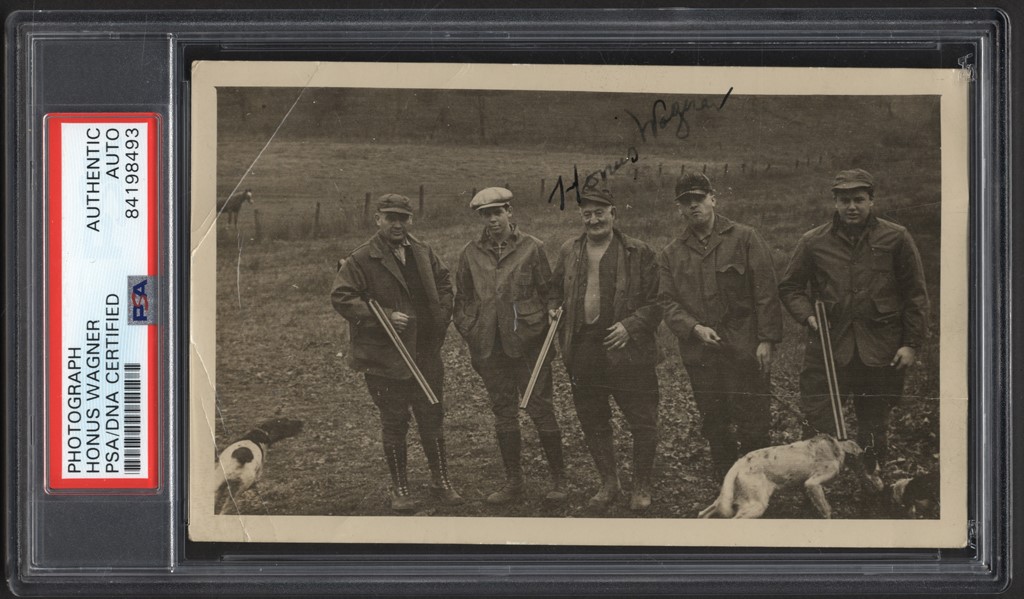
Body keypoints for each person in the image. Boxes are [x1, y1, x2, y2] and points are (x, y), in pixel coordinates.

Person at [778, 169, 929, 465]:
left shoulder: (896, 237)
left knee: (874, 426)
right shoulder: (813, 241)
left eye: (859, 199)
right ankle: (817, 485)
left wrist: (911, 344)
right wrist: (808, 316)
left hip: (879, 352)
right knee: (818, 423)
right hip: (828, 349)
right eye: (844, 200)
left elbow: (916, 294)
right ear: (834, 202)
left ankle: (871, 483)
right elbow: (790, 287)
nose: (852, 207)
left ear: (872, 200)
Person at [331, 193, 462, 512]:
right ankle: (400, 489)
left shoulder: (423, 251)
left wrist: (443, 314)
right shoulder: (361, 258)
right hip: (384, 359)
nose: (397, 224)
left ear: (410, 220)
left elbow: (445, 284)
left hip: (426, 353)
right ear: (378, 219)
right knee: (394, 421)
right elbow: (342, 297)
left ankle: (441, 481)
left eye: (403, 217)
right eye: (390, 217)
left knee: (432, 415)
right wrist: (383, 316)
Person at [657, 172, 784, 479]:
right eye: (685, 202)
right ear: (679, 209)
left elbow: (766, 292)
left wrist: (766, 340)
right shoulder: (671, 253)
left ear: (713, 199)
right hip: (702, 352)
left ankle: (759, 481)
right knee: (714, 419)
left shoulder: (745, 238)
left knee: (754, 420)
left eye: (699, 199)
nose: (693, 206)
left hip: (744, 347)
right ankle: (726, 482)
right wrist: (693, 328)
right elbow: (665, 301)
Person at [548, 188, 662, 511]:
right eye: (587, 214)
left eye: (600, 212)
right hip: (584, 349)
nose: (594, 219)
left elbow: (658, 302)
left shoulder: (639, 252)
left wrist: (631, 326)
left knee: (643, 420)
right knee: (592, 418)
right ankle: (609, 483)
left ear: (614, 214)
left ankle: (641, 485)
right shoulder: (570, 250)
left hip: (629, 350)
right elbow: (554, 291)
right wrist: (553, 309)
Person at [453, 187, 566, 505]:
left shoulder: (533, 248)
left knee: (541, 410)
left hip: (529, 346)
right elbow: (462, 299)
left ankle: (559, 481)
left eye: (497, 212)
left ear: (509, 212)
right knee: (503, 413)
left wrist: (547, 315)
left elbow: (551, 291)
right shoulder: (470, 253)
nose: (492, 219)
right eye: (485, 214)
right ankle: (514, 482)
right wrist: (471, 330)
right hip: (490, 348)